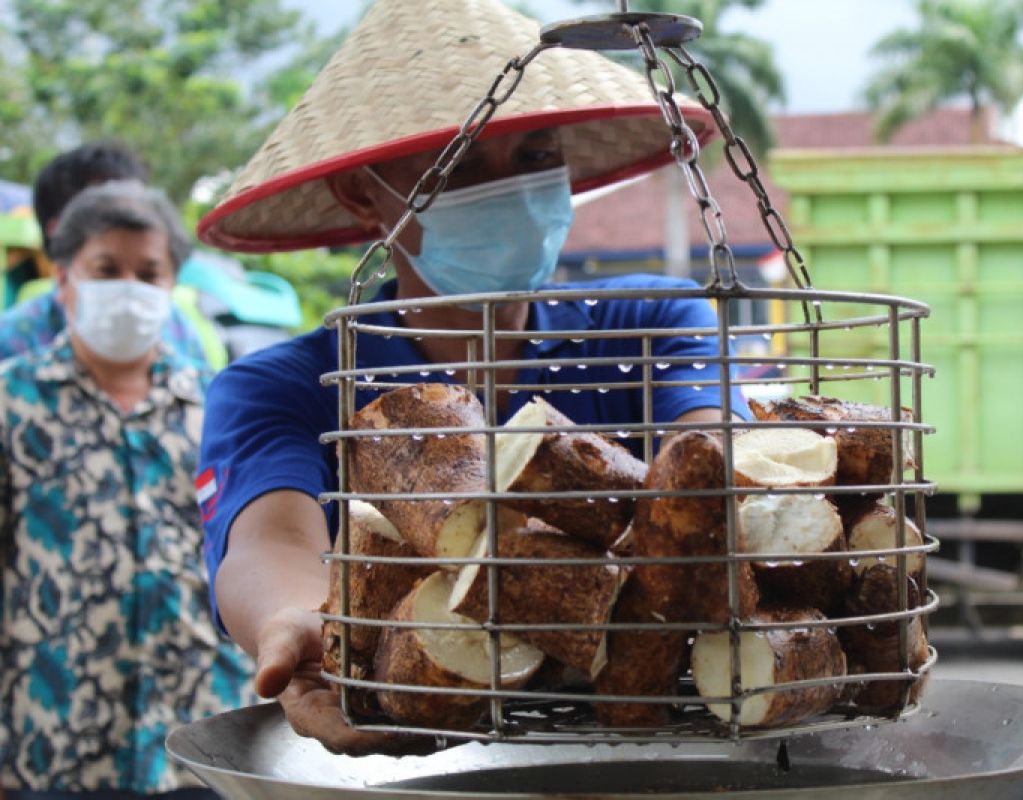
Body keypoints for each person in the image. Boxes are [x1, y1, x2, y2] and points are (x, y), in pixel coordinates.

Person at [195, 0, 745, 755]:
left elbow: (712, 451)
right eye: (458, 167)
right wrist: (295, 620)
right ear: (364, 194)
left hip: (652, 744)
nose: (509, 190)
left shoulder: (652, 326)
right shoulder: (290, 384)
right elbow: (270, 539)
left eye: (532, 157)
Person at [0, 181, 256, 798]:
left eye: (149, 273)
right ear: (64, 278)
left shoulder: (218, 405)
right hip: (54, 736)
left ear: (172, 286)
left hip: (203, 736)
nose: (130, 289)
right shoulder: (12, 402)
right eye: (106, 269)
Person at [0, 141, 211, 371]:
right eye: (107, 270)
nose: (129, 220)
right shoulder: (13, 345)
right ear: (59, 230)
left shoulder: (180, 332)